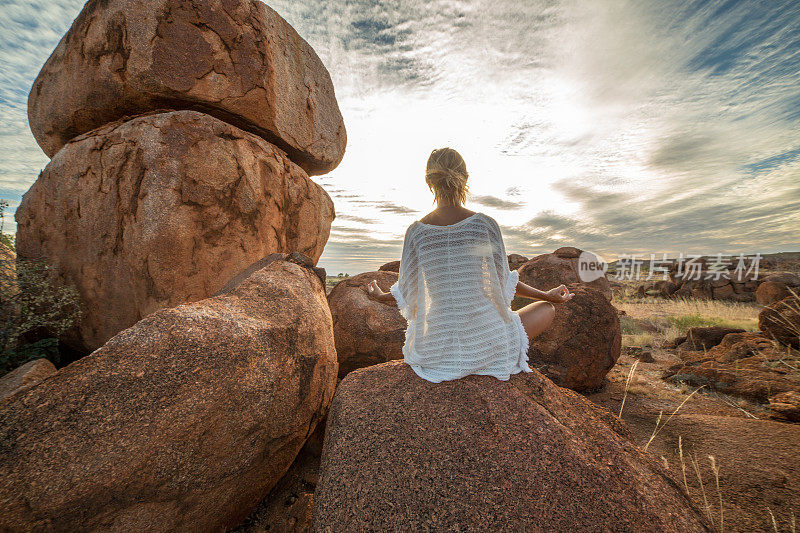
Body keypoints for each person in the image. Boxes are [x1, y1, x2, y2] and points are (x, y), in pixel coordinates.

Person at [365, 147, 573, 383]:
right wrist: (548, 295)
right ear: (465, 178)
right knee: (546, 309)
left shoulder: (416, 233)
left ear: (428, 181)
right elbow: (504, 283)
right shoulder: (484, 225)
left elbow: (406, 291)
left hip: (434, 350)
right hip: (486, 343)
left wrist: (380, 295)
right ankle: (495, 350)